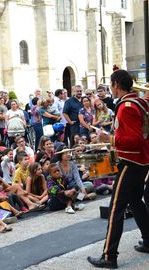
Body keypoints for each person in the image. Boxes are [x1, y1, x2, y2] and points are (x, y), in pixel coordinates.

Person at [87, 70, 149, 268]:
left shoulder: (127, 107)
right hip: (140, 162)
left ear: (116, 84)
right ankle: (148, 240)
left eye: (111, 85)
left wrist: (109, 138)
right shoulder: (138, 101)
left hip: (131, 163)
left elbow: (135, 141)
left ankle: (109, 255)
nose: (110, 89)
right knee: (135, 202)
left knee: (115, 208)